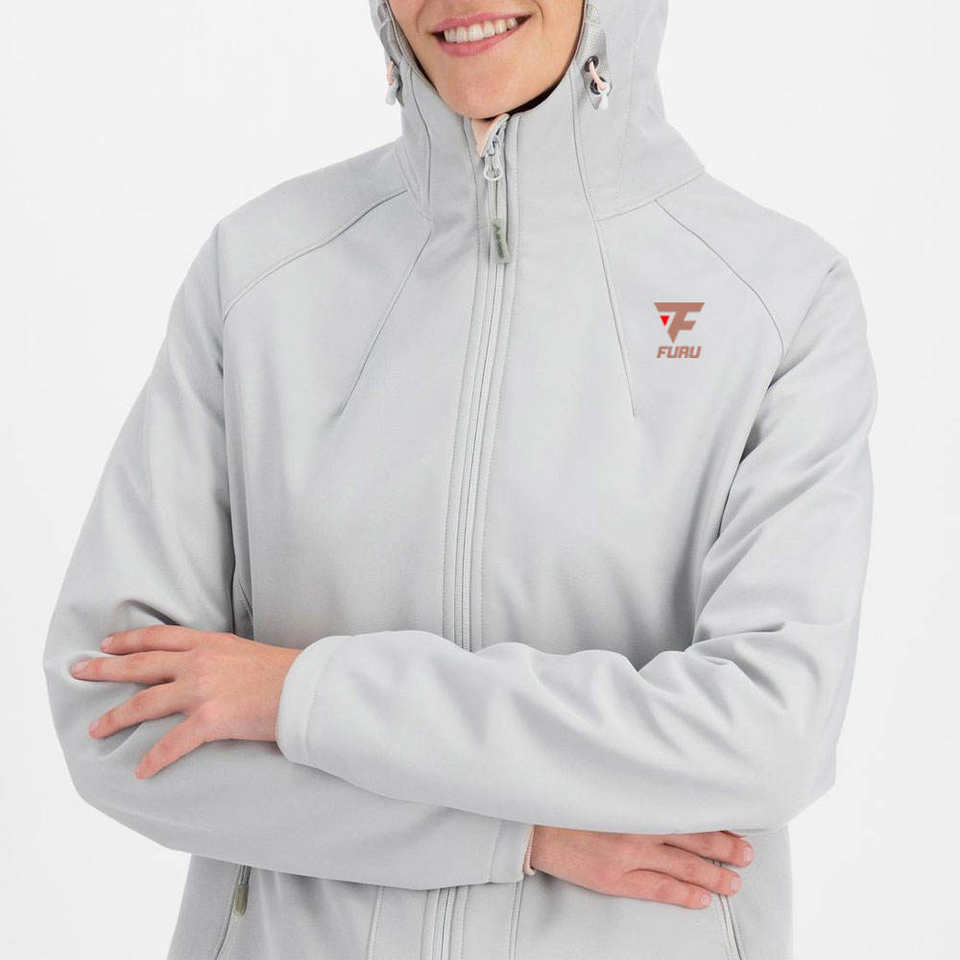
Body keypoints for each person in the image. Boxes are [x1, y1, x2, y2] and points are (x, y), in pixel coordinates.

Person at [42, 1, 877, 958]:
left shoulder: (777, 300)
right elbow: (117, 718)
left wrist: (302, 695)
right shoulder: (260, 274)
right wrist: (518, 837)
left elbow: (769, 735)